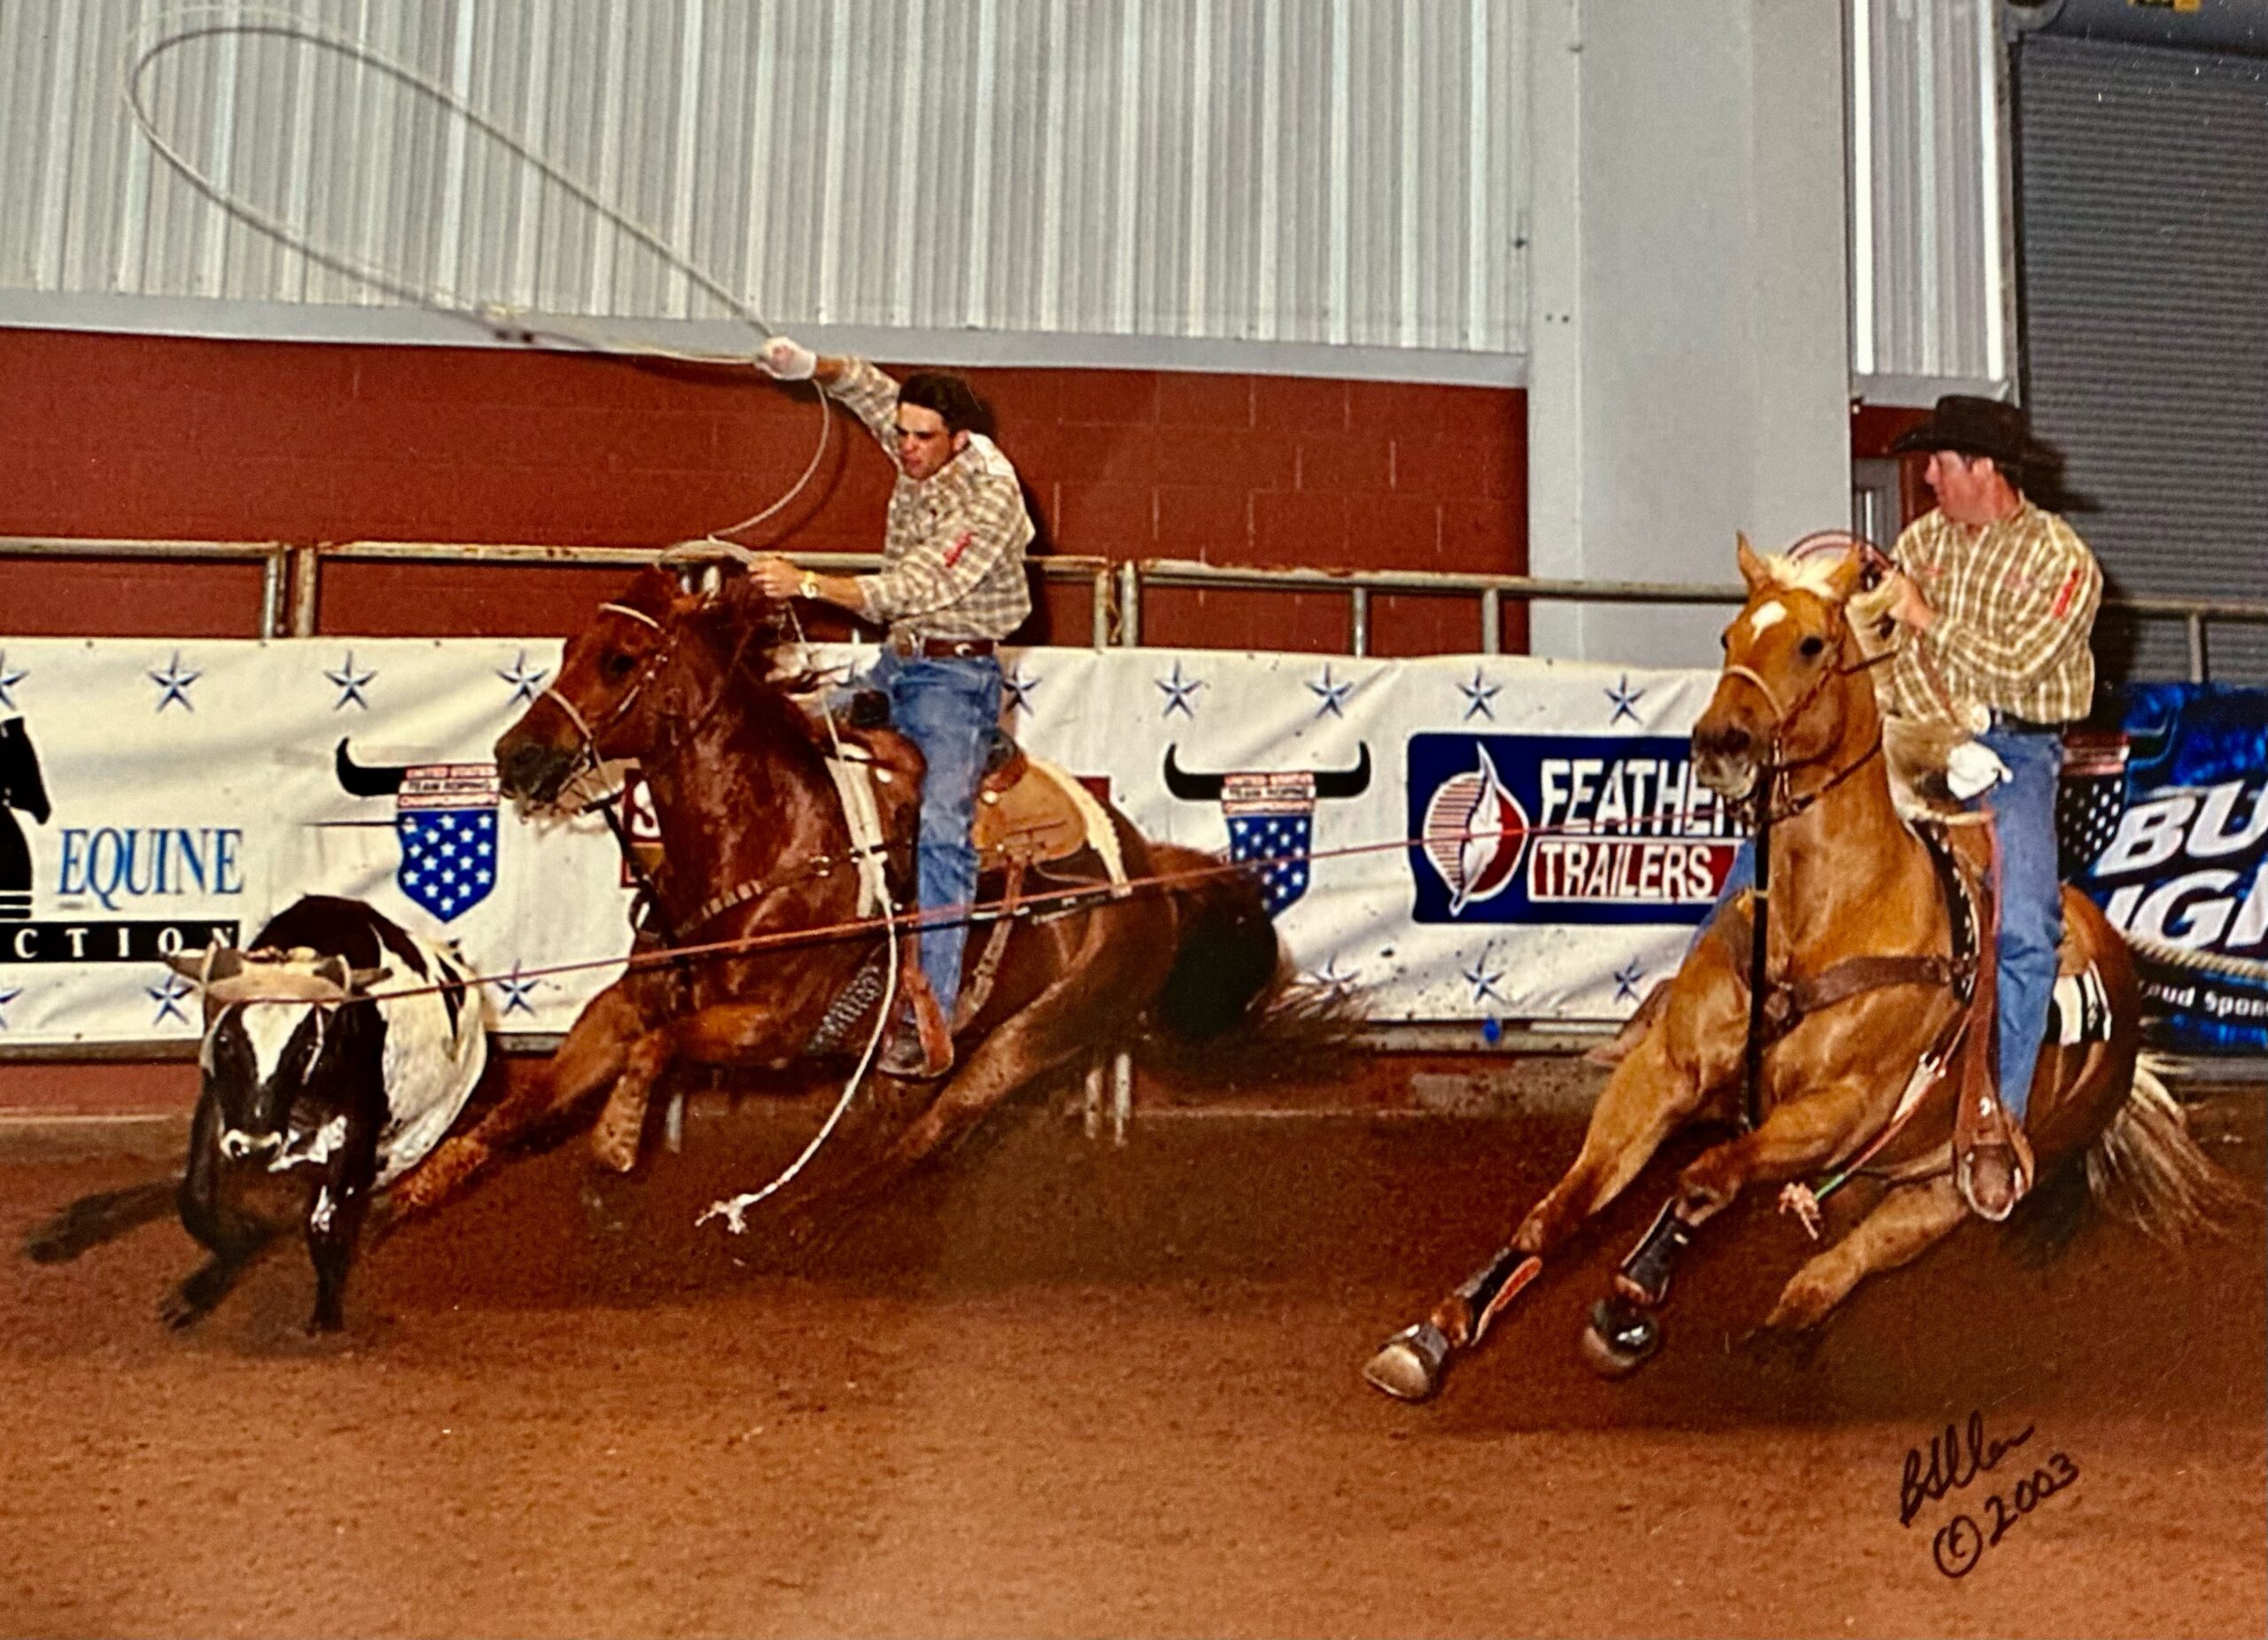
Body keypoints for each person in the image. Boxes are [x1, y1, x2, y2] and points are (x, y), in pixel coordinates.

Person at [747, 335, 1035, 1079]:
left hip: (956, 678)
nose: (904, 447)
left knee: (943, 830)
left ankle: (927, 1012)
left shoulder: (990, 495)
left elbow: (913, 586)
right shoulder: (917, 434)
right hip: (900, 661)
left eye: (921, 438)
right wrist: (809, 366)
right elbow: (868, 387)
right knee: (788, 737)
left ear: (960, 438)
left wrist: (807, 585)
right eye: (901, 433)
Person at [1880, 394, 2101, 1220]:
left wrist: (1924, 616)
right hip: (1917, 738)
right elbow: (1887, 651)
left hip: (2016, 752)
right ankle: (1690, 1018)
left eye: (1940, 462)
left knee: (2024, 926)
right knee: (1783, 843)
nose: (1927, 475)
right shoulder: (1918, 544)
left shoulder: (2063, 560)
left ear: (1982, 470)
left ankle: (1992, 1120)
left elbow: (2015, 672)